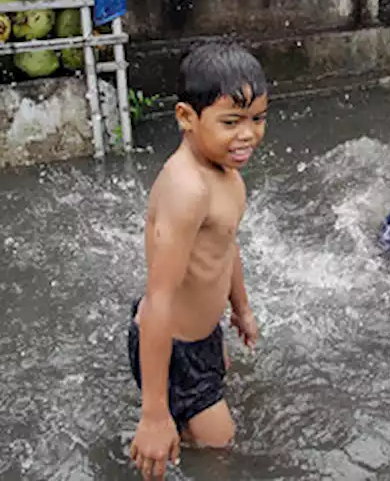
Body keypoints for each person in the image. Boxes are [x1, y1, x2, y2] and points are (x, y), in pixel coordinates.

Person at [127, 42, 268, 480]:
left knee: (208, 420)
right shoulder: (187, 190)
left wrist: (240, 308)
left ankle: (179, 421)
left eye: (258, 119)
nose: (248, 134)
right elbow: (157, 302)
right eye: (231, 122)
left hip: (202, 336)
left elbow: (226, 247)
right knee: (220, 450)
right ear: (187, 117)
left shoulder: (226, 172)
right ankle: (160, 423)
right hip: (172, 342)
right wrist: (152, 416)